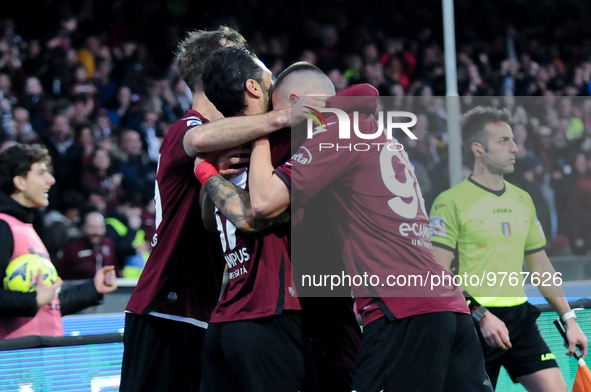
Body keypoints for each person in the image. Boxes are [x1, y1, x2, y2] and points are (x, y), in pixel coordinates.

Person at [244, 63, 493, 392]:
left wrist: (258, 129)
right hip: (450, 308)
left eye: (281, 116)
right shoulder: (374, 130)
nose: (283, 127)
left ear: (294, 103)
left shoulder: (333, 132)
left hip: (401, 312)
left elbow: (262, 202)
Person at [119, 27, 316, 392]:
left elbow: (213, 223)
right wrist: (280, 118)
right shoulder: (190, 126)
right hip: (166, 299)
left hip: (205, 304)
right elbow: (198, 140)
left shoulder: (232, 135)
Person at [199, 48, 360, 391]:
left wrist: (204, 172)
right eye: (268, 76)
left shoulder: (217, 147)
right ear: (254, 89)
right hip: (274, 315)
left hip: (225, 317)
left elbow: (211, 222)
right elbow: (256, 211)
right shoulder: (293, 141)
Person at [428, 106, 588, 391]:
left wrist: (569, 319)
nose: (515, 147)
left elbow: (541, 267)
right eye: (504, 141)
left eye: (513, 139)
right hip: (472, 324)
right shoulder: (450, 202)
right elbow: (437, 272)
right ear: (478, 149)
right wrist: (482, 315)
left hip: (520, 321)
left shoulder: (523, 199)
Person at [0, 143, 116, 339]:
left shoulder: (27, 228)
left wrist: (92, 289)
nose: (51, 180)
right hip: (18, 361)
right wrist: (32, 300)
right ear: (20, 182)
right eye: (41, 173)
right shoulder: (4, 227)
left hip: (42, 358)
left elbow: (48, 304)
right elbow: (35, 300)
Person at [55, 210, 119, 280]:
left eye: (99, 227)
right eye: (91, 227)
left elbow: (116, 268)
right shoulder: (72, 248)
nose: (96, 232)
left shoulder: (108, 244)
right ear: (83, 228)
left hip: (107, 288)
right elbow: (60, 273)